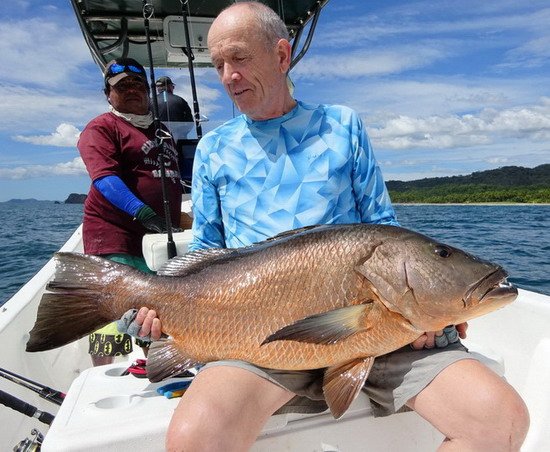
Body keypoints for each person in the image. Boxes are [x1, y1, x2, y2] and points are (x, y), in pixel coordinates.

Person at [133, 3, 529, 451]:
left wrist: (428, 312)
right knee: (193, 439)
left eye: (239, 58)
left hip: (376, 331)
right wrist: (164, 309)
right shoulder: (213, 149)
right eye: (219, 64)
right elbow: (207, 250)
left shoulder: (342, 126)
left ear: (281, 56)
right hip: (261, 339)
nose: (227, 76)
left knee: (502, 420)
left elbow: (384, 231)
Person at [77, 57, 182, 367]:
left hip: (157, 239)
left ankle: (155, 368)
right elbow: (104, 179)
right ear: (108, 94)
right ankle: (103, 379)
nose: (132, 90)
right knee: (112, 312)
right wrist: (142, 212)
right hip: (116, 236)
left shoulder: (160, 130)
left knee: (153, 313)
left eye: (138, 84)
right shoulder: (102, 127)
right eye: (121, 87)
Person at [154, 76, 194, 142]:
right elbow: (190, 123)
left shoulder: (150, 102)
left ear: (158, 88)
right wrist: (180, 134)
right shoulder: (181, 101)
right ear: (170, 86)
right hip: (179, 142)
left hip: (156, 142)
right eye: (173, 86)